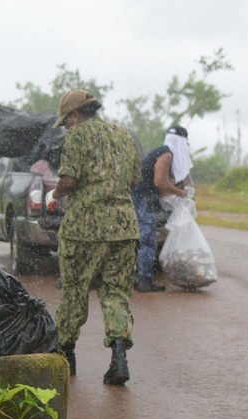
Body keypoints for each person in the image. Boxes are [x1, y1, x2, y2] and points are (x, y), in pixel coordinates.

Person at [45, 90, 141, 386]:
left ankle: (66, 357)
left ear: (74, 115)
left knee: (76, 289)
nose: (66, 127)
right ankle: (119, 358)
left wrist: (54, 194)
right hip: (124, 227)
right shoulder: (124, 136)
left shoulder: (76, 136)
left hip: (84, 228)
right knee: (115, 293)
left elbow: (69, 180)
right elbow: (135, 179)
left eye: (66, 121)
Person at [130, 125, 195, 291]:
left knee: (142, 239)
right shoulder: (166, 154)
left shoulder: (163, 152)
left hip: (141, 197)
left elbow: (159, 184)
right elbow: (160, 182)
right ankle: (144, 280)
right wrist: (180, 193)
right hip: (142, 199)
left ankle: (138, 278)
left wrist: (174, 194)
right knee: (147, 240)